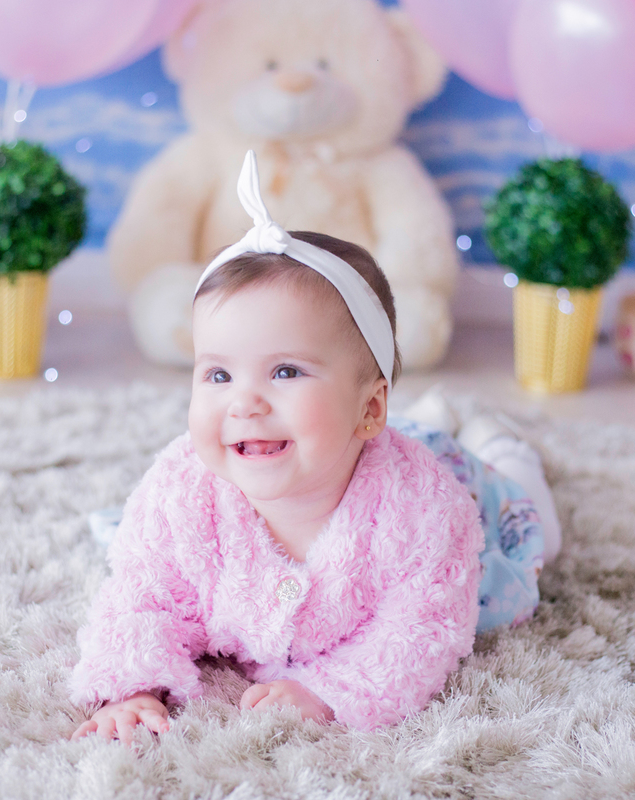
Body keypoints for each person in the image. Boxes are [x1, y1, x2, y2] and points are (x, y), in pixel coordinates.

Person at [70, 152, 558, 744]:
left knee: (535, 535)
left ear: (370, 407)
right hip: (363, 442)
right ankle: (439, 417)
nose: (244, 403)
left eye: (285, 372)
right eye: (219, 376)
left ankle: (500, 443)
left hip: (462, 483)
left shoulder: (424, 511)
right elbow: (141, 597)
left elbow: (422, 631)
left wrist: (330, 691)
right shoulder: (183, 494)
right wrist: (132, 688)